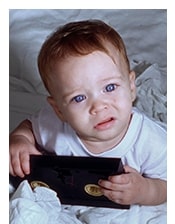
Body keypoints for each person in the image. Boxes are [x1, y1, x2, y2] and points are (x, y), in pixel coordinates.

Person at [9, 20, 166, 206]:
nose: (98, 107)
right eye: (78, 98)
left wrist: (145, 190)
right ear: (59, 110)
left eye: (110, 87)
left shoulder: (151, 141)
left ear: (131, 87)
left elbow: (167, 185)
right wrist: (19, 140)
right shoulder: (54, 126)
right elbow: (28, 127)